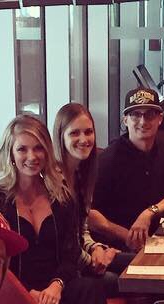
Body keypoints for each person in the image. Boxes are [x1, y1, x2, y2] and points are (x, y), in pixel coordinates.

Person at [0, 114, 105, 304]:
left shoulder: (62, 197)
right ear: (10, 153)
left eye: (38, 148)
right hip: (15, 293)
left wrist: (56, 285)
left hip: (57, 289)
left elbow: (71, 253)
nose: (32, 156)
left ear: (47, 151)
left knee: (91, 289)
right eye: (22, 149)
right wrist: (28, 294)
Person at [89, 87, 164, 269]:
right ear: (125, 120)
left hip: (161, 240)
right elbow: (90, 214)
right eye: (136, 115)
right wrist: (129, 235)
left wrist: (149, 213)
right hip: (119, 247)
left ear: (160, 119)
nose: (143, 121)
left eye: (149, 115)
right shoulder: (108, 159)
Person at [52, 102, 121, 279]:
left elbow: (81, 231)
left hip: (81, 259)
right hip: (62, 272)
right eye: (75, 133)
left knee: (139, 263)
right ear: (60, 137)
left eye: (88, 132)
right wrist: (94, 261)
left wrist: (96, 248)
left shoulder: (81, 175)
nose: (84, 139)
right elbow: (65, 245)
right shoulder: (53, 181)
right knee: (121, 280)